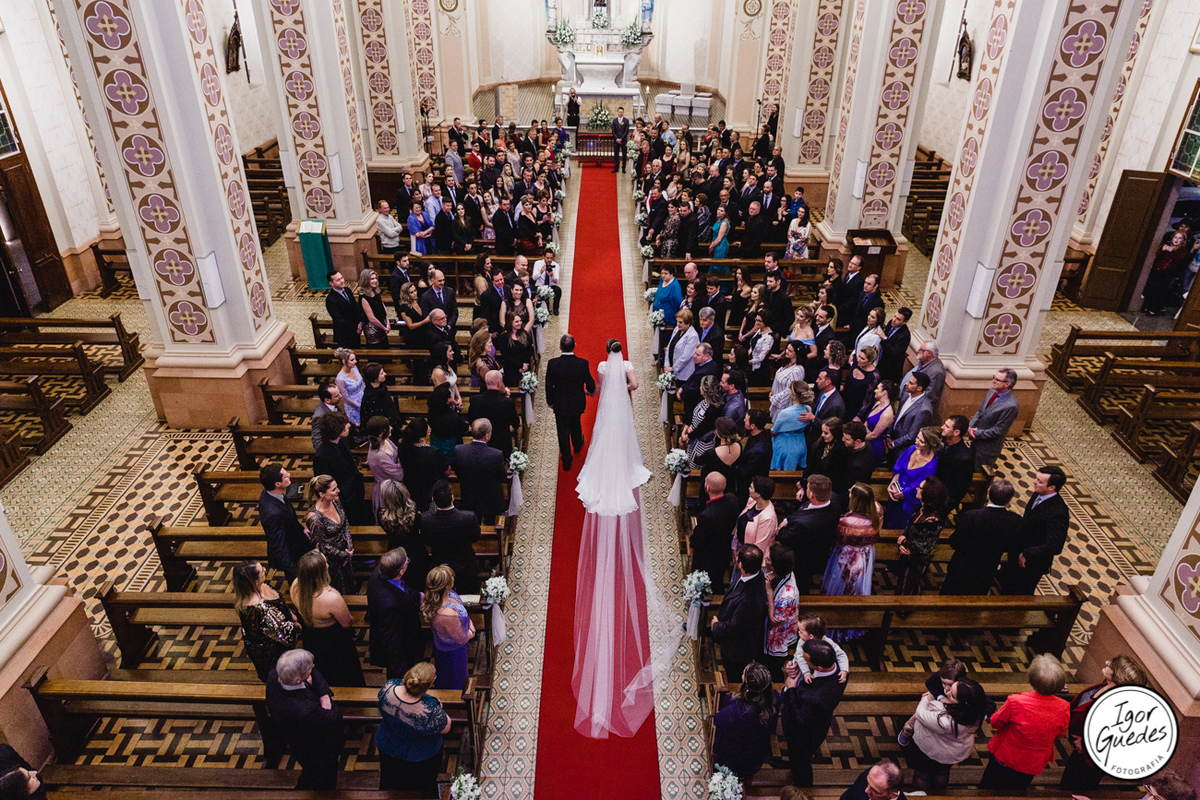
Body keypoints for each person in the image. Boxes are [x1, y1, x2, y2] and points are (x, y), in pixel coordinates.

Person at [572, 339, 668, 739]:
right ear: (621, 350)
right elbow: (634, 387)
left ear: (604, 351)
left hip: (606, 414)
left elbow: (599, 385)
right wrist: (626, 385)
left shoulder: (600, 365)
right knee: (625, 444)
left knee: (603, 438)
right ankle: (624, 466)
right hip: (622, 413)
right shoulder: (625, 365)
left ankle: (606, 468)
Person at [979, 654, 1070, 790]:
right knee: (1018, 789)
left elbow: (996, 722)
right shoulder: (1064, 706)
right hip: (1032, 762)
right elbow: (1061, 733)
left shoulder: (1016, 701)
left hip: (1007, 756)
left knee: (989, 787)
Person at [1060, 654, 1150, 790]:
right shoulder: (1107, 685)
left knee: (1077, 788)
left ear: (1118, 677)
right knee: (1067, 781)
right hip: (1079, 752)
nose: (1106, 662)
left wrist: (1085, 744)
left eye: (1110, 665)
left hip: (1090, 760)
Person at [265, 650, 343, 789]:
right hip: (315, 747)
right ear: (297, 681)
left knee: (311, 774)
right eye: (309, 669)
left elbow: (313, 669)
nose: (313, 667)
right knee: (322, 778)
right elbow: (334, 717)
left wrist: (323, 694)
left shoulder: (276, 674)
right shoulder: (303, 709)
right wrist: (326, 702)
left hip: (300, 735)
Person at [899, 670, 987, 790]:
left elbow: (920, 713)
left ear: (961, 702)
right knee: (942, 773)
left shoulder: (945, 721)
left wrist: (928, 698)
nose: (947, 692)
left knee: (922, 775)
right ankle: (938, 794)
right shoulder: (975, 711)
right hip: (952, 752)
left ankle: (921, 796)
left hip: (929, 749)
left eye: (952, 694)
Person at [376, 662, 452, 798]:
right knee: (423, 786)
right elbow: (446, 727)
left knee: (391, 780)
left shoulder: (388, 687)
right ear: (428, 685)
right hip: (418, 755)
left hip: (388, 746)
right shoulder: (428, 709)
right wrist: (439, 707)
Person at [289, 550, 365, 687]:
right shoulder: (331, 598)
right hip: (333, 642)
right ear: (321, 573)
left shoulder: (295, 586)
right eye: (326, 564)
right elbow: (347, 622)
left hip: (311, 637)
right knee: (344, 675)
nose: (328, 565)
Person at [782, 638, 849, 788]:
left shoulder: (818, 697)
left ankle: (803, 787)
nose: (802, 660)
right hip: (813, 716)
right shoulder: (839, 669)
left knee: (801, 761)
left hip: (805, 735)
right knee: (795, 757)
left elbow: (800, 720)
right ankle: (792, 764)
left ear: (818, 667)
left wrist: (791, 689)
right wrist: (795, 669)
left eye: (805, 660)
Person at [822, 483, 882, 640]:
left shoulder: (847, 522)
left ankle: (836, 629)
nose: (848, 492)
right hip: (865, 557)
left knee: (840, 589)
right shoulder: (876, 512)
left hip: (847, 559)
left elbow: (839, 539)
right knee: (857, 589)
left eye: (852, 493)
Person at [999, 465, 1070, 595]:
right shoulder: (1038, 493)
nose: (1034, 482)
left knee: (1019, 594)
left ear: (1051, 488)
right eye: (1036, 478)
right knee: (1006, 585)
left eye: (1039, 481)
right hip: (1018, 552)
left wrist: (1027, 553)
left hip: (1031, 563)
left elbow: (1055, 546)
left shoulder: (1058, 512)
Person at [711, 662, 779, 784]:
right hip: (756, 751)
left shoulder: (736, 710)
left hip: (733, 751)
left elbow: (718, 720)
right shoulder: (774, 699)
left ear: (747, 683)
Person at [233, 560, 300, 682]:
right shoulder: (261, 609)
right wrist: (297, 625)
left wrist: (290, 614)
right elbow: (285, 635)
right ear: (254, 581)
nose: (264, 569)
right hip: (272, 652)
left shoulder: (260, 586)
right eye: (261, 571)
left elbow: (280, 603)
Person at [710, 544, 768, 680]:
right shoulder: (753, 575)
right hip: (733, 637)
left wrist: (716, 626)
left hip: (737, 649)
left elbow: (736, 626)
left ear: (741, 564)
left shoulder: (750, 599)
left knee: (733, 676)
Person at [365, 547, 423, 681]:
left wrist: (417, 596)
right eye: (407, 561)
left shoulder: (381, 572)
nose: (408, 562)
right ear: (401, 571)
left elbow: (402, 587)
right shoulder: (390, 605)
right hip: (402, 644)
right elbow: (392, 642)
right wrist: (402, 675)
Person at [778, 475, 843, 591]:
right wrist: (787, 519)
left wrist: (782, 528)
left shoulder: (804, 524)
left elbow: (784, 537)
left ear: (811, 495)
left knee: (802, 580)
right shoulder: (834, 498)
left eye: (807, 488)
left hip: (805, 556)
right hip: (819, 544)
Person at [545, 334, 597, 471]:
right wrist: (590, 391)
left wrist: (550, 401)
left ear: (560, 347)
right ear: (575, 346)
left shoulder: (553, 363)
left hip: (560, 403)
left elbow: (548, 385)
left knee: (562, 432)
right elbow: (590, 384)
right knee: (576, 422)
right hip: (577, 402)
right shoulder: (582, 363)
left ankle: (566, 459)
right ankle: (578, 443)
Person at [421, 564, 474, 691]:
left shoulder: (442, 595)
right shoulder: (446, 614)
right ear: (445, 585)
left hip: (445, 643)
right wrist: (471, 631)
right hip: (453, 652)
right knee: (455, 680)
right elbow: (461, 638)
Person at [894, 477, 948, 595]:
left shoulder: (932, 521)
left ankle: (903, 610)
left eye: (921, 488)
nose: (917, 489)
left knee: (907, 587)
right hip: (909, 556)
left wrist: (904, 542)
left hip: (916, 562)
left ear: (928, 494)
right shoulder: (923, 509)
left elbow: (923, 548)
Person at [258, 464, 311, 583]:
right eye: (285, 476)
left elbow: (289, 518)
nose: (289, 475)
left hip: (296, 540)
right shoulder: (273, 514)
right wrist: (293, 572)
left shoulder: (270, 493)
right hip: (292, 553)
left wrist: (301, 529)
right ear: (277, 484)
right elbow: (279, 546)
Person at [690, 472, 740, 595]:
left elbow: (696, 542)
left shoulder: (707, 516)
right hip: (724, 550)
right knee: (718, 580)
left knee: (707, 583)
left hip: (707, 557)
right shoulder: (732, 499)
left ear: (708, 488)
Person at [314, 413, 367, 527]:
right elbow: (323, 485)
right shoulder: (322, 456)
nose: (349, 426)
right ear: (336, 430)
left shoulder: (343, 440)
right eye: (345, 424)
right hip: (343, 499)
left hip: (355, 491)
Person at [884, 427, 943, 529]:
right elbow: (898, 467)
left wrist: (902, 494)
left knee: (901, 525)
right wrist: (892, 483)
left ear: (930, 444)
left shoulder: (931, 466)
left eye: (922, 441)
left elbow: (916, 486)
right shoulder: (912, 448)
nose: (917, 442)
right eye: (917, 438)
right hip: (896, 489)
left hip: (909, 500)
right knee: (889, 518)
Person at [454, 420, 508, 521]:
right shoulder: (496, 455)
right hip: (492, 500)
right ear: (486, 436)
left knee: (471, 527)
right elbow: (502, 477)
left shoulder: (459, 450)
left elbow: (458, 471)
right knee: (493, 525)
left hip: (469, 497)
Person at [969, 368, 1019, 471]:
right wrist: (970, 426)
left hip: (987, 449)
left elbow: (998, 431)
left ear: (1007, 384)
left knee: (979, 475)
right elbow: (980, 411)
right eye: (994, 378)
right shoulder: (992, 391)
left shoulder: (1010, 406)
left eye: (997, 380)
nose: (993, 381)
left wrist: (977, 433)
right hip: (975, 441)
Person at [762, 543, 800, 680]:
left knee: (772, 669)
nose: (766, 560)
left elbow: (774, 619)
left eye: (769, 560)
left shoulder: (788, 596)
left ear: (776, 566)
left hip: (778, 635)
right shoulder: (784, 572)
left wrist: (768, 590)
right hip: (774, 628)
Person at [398, 419, 448, 512]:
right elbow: (446, 471)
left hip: (411, 489)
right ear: (423, 435)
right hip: (429, 491)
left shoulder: (403, 449)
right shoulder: (433, 453)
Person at [468, 370, 520, 458]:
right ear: (499, 383)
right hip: (502, 443)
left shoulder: (474, 400)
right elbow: (516, 423)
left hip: (482, 441)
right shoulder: (507, 403)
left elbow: (471, 421)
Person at [738, 475, 779, 576]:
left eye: (751, 487)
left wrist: (743, 560)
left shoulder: (768, 518)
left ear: (758, 494)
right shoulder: (752, 501)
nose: (748, 488)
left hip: (752, 562)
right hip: (743, 551)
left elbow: (758, 547)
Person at [364, 416, 405, 518]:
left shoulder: (384, 440)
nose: (391, 428)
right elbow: (398, 475)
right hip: (387, 490)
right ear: (381, 433)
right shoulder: (379, 454)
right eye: (388, 427)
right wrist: (400, 464)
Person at [935, 415, 975, 514]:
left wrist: (943, 508)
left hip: (941, 499)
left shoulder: (964, 459)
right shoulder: (945, 440)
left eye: (947, 426)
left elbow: (959, 490)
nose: (942, 427)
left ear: (956, 432)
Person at [887, 371, 934, 455]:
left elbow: (912, 435)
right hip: (893, 438)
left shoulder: (924, 409)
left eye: (911, 383)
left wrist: (894, 443)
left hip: (902, 449)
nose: (906, 384)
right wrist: (888, 434)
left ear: (919, 388)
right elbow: (897, 415)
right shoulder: (907, 394)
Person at [771, 381, 812, 470]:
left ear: (793, 394)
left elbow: (774, 431)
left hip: (785, 445)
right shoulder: (808, 409)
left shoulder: (785, 413)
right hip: (801, 443)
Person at [899, 338, 946, 409]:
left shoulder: (936, 372)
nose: (918, 351)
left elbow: (930, 397)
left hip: (914, 409)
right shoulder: (923, 362)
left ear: (929, 353)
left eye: (921, 350)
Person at [861, 379, 897, 461]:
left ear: (884, 392)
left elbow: (874, 435)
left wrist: (859, 437)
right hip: (865, 438)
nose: (875, 390)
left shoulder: (887, 414)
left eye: (877, 388)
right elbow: (867, 421)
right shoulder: (877, 404)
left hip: (874, 445)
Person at [843, 346, 881, 422]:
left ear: (870, 361)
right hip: (844, 400)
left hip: (856, 407)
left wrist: (859, 415)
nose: (858, 360)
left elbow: (868, 399)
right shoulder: (856, 364)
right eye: (859, 356)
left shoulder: (874, 377)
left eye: (862, 358)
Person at [496, 313, 534, 389]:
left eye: (520, 321)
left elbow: (530, 350)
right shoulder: (503, 337)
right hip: (511, 368)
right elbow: (506, 356)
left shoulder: (525, 334)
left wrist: (525, 365)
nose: (520, 323)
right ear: (510, 322)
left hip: (525, 367)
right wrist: (520, 365)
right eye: (516, 321)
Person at [879, 308, 913, 384]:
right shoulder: (891, 323)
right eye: (894, 316)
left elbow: (894, 352)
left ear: (905, 322)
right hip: (881, 361)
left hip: (890, 368)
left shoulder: (904, 336)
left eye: (898, 319)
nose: (894, 320)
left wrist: (884, 338)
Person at [840, 760, 905, 800]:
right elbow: (848, 796)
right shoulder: (871, 776)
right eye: (868, 783)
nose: (866, 790)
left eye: (875, 791)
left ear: (893, 795)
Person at [358, 269, 391, 347]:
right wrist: (384, 328)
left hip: (382, 326)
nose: (375, 280)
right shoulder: (363, 297)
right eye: (372, 279)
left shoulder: (375, 291)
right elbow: (371, 318)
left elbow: (382, 306)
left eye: (375, 278)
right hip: (373, 330)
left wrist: (388, 322)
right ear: (365, 280)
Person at [333, 348, 364, 427]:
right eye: (352, 360)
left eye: (355, 359)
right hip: (353, 405)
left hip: (363, 397)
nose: (355, 362)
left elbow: (362, 382)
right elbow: (345, 398)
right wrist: (359, 405)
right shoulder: (340, 379)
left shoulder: (354, 368)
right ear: (344, 361)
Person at [310, 382, 343, 452]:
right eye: (337, 396)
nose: (341, 396)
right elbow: (317, 441)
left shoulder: (334, 405)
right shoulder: (319, 416)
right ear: (327, 400)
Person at [611, 105, 630, 173]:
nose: (620, 113)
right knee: (616, 155)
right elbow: (613, 131)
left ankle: (623, 168)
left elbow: (626, 131)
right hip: (616, 140)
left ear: (623, 113)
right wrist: (617, 138)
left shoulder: (626, 121)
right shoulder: (615, 120)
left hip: (623, 140)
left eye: (621, 112)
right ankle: (616, 167)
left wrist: (621, 139)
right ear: (617, 112)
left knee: (624, 155)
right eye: (619, 112)